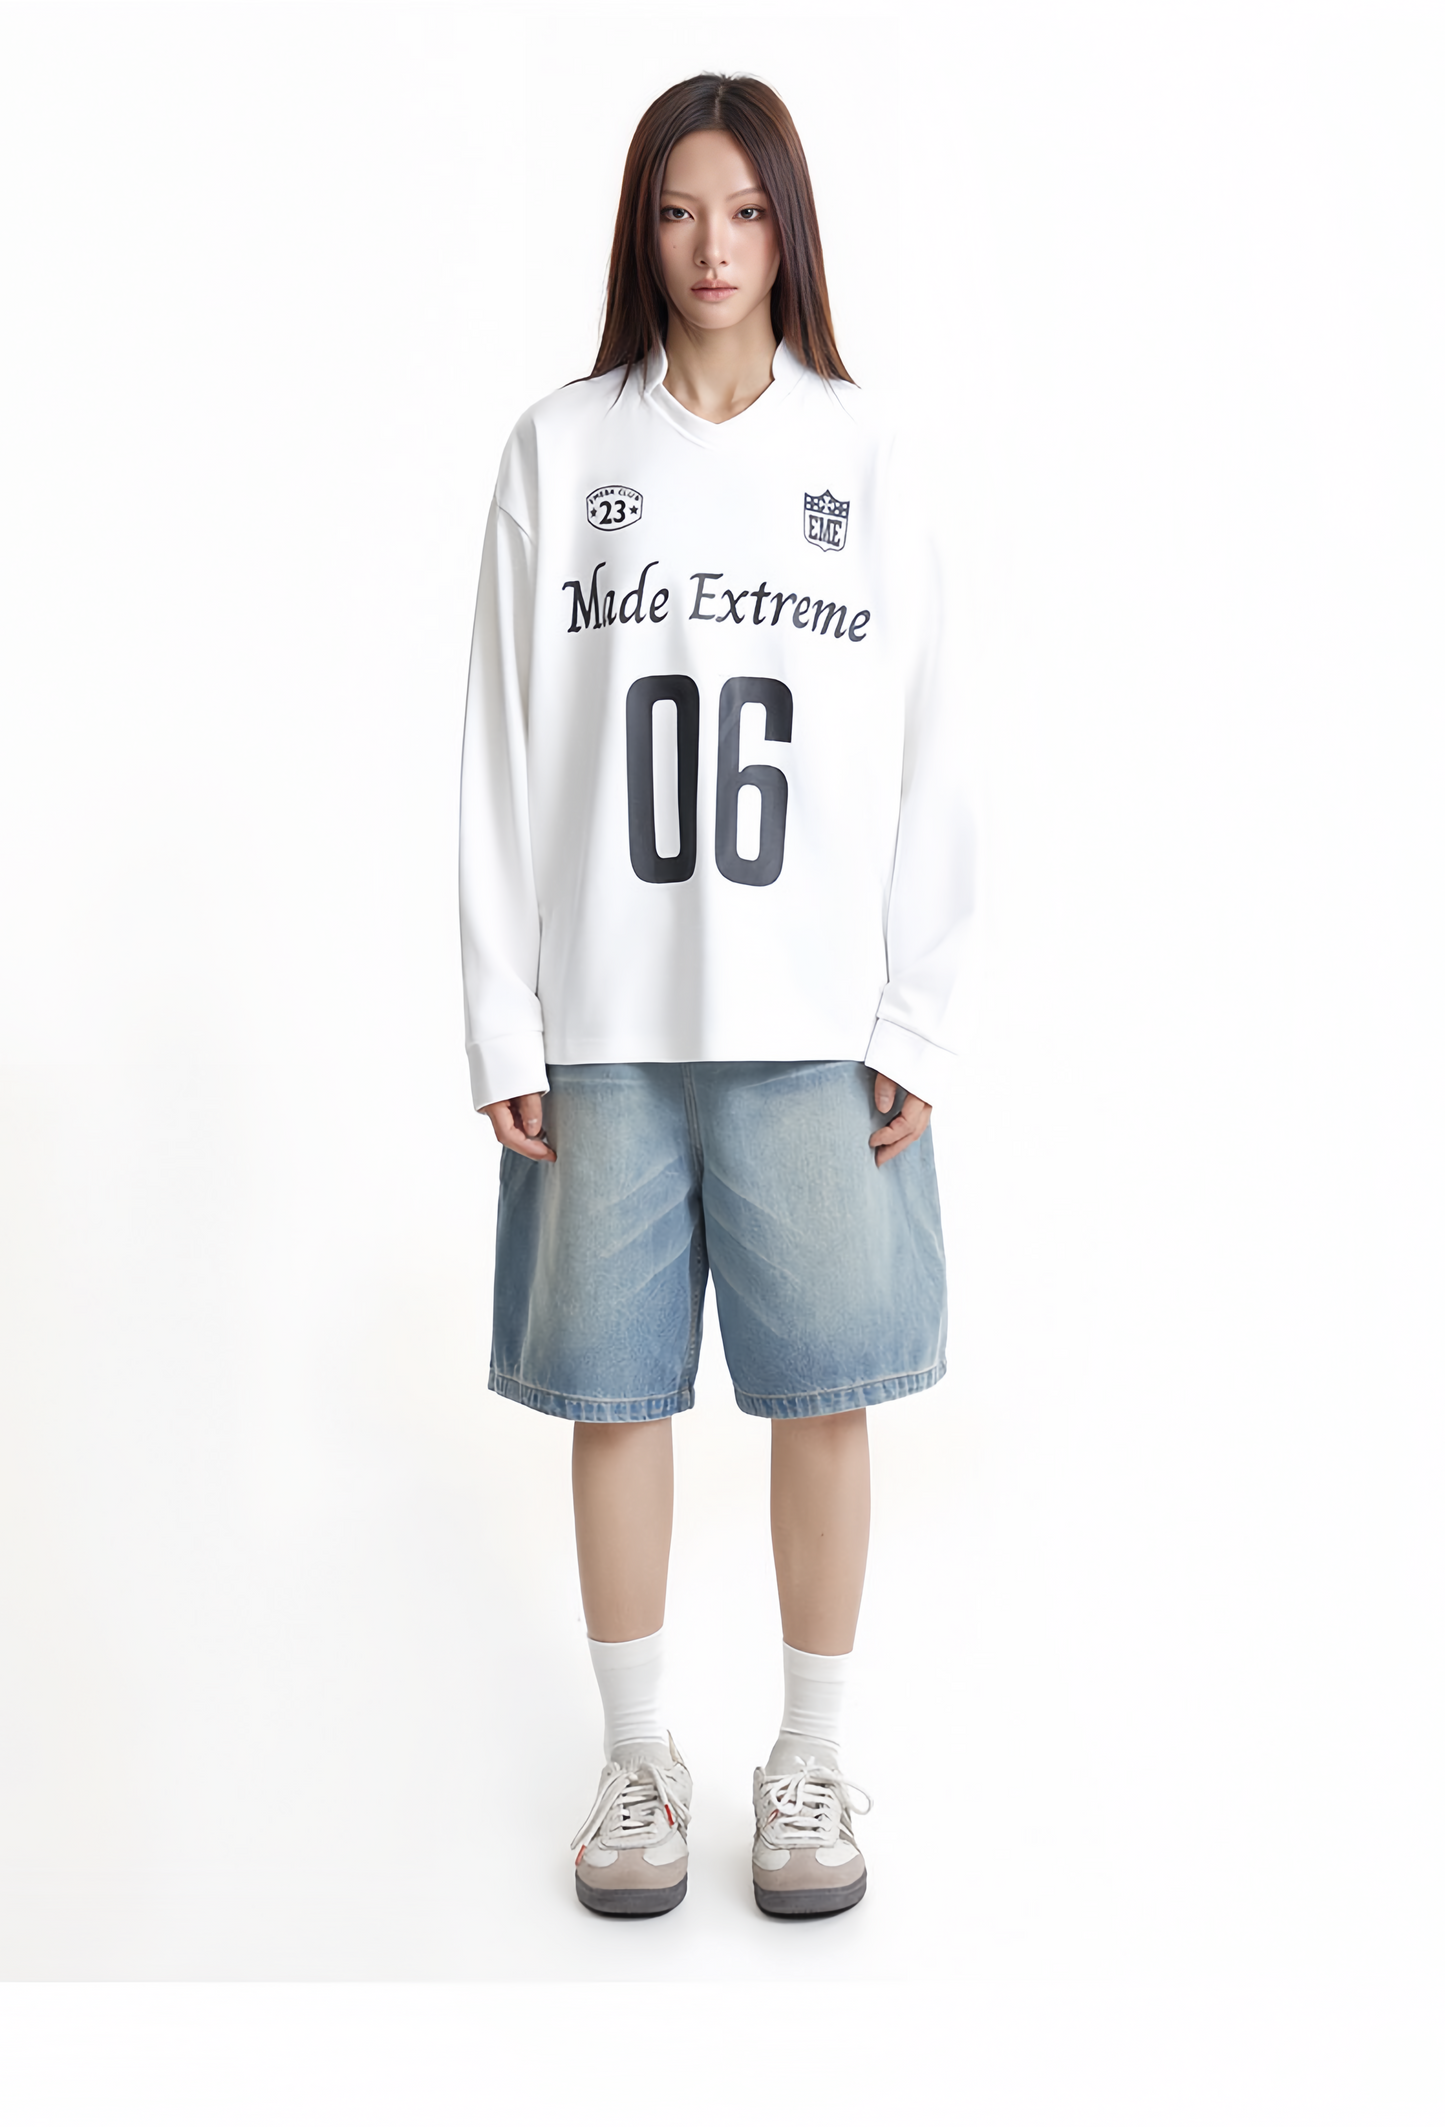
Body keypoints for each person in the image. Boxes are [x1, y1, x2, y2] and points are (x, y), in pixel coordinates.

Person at [458, 73, 973, 1919]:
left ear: (789, 228)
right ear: (641, 228)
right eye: (680, 210)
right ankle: (637, 1760)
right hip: (605, 1019)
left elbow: (939, 745)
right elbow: (498, 749)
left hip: (811, 1026)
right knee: (617, 1397)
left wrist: (916, 1012)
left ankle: (810, 1754)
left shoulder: (864, 456)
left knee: (826, 1392)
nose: (712, 247)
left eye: (745, 211)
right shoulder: (560, 450)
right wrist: (501, 1017)